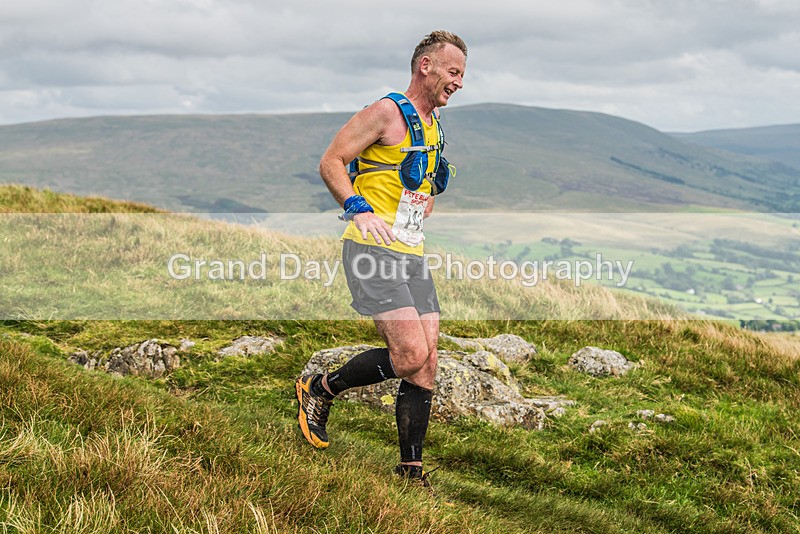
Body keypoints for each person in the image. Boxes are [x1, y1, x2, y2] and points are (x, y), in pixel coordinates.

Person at [295, 30, 467, 486]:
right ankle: (321, 388)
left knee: (427, 360)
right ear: (425, 66)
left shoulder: (433, 124)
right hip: (370, 249)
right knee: (409, 355)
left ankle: (411, 471)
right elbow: (332, 161)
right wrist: (359, 207)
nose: (459, 82)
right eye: (453, 72)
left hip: (411, 251)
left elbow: (421, 179)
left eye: (462, 75)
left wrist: (426, 198)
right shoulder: (385, 112)